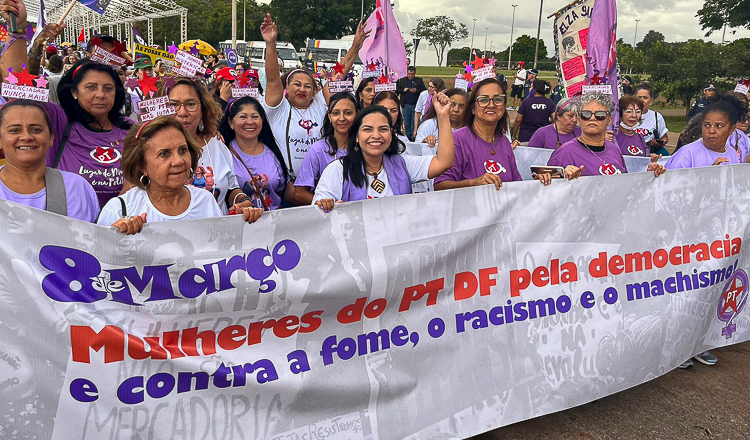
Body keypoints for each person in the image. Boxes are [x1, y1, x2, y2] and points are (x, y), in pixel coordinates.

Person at [98, 117, 262, 233]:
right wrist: (115, 238)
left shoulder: (205, 201)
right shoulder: (118, 210)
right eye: (164, 154)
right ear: (141, 166)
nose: (178, 161)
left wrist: (244, 224)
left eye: (183, 150)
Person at [259, 13, 367, 177]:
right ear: (286, 87)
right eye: (297, 84)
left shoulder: (320, 104)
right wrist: (271, 43)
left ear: (314, 91)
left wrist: (355, 47)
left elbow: (338, 73)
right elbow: (273, 78)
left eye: (308, 86)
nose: (302, 89)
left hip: (322, 183)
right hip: (287, 187)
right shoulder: (278, 108)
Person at [313, 92, 455, 208]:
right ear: (356, 136)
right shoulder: (337, 170)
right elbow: (318, 211)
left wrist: (443, 116)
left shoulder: (403, 164)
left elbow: (444, 161)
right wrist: (327, 207)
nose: (376, 136)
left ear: (391, 135)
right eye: (367, 129)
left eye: (383, 129)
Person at [162, 77, 253, 214]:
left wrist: (242, 200)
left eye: (191, 104)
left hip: (215, 232)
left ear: (203, 109)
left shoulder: (217, 145)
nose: (182, 113)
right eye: (173, 105)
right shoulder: (149, 150)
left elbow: (230, 190)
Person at [0, 100, 99, 222]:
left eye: (36, 130)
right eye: (15, 130)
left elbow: (97, 237)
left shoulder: (76, 187)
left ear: (51, 137)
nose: (26, 137)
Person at [547, 92, 666, 178]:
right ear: (578, 119)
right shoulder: (564, 153)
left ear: (609, 120)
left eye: (600, 115)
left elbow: (625, 188)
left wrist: (649, 174)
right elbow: (549, 195)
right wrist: (563, 177)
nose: (592, 118)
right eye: (586, 114)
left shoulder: (614, 150)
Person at [434, 78, 521, 191]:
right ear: (473, 108)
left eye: (498, 99)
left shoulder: (504, 142)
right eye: (483, 100)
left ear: (504, 107)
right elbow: (439, 186)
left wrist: (539, 182)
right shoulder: (458, 140)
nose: (491, 105)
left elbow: (518, 185)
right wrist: (473, 183)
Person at [219, 96, 294, 210]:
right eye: (243, 117)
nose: (250, 122)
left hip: (272, 223)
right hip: (239, 223)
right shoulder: (223, 153)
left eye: (255, 117)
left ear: (262, 120)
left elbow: (281, 190)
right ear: (231, 122)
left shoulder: (273, 152)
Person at [294, 92, 359, 204]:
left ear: (357, 115)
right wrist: (323, 203)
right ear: (329, 116)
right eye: (336, 113)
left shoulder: (365, 146)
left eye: (348, 113)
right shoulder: (318, 150)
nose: (342, 118)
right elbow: (300, 193)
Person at [665, 94, 746, 170]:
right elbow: (671, 183)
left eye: (719, 126)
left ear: (731, 129)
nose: (711, 131)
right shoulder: (686, 154)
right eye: (707, 125)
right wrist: (708, 175)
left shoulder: (732, 153)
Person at [634, 82, 670, 155]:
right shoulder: (626, 116)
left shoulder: (657, 117)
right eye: (639, 97)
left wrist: (658, 142)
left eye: (645, 98)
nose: (642, 100)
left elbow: (665, 138)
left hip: (651, 155)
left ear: (651, 100)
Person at [396, 66, 426, 141]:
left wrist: (416, 90)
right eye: (409, 74)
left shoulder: (419, 81)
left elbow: (424, 90)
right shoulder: (402, 80)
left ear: (415, 73)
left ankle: (414, 136)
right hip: (405, 104)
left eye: (412, 74)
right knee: (407, 121)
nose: (410, 76)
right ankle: (408, 136)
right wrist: (403, 90)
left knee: (414, 121)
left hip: (415, 105)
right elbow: (397, 90)